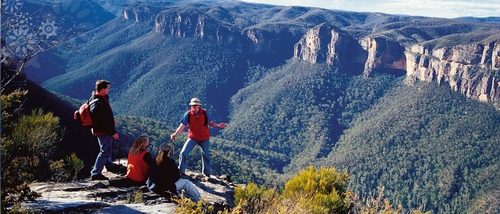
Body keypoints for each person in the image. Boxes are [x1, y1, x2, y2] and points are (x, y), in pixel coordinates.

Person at [170, 98, 227, 178]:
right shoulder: (188, 114)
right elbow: (182, 126)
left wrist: (218, 125)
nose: (194, 106)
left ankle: (206, 174)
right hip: (192, 138)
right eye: (192, 105)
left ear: (199, 105)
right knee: (183, 153)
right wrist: (175, 134)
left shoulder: (204, 113)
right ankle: (181, 172)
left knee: (206, 155)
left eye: (195, 105)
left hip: (204, 138)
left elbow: (210, 123)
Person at [89, 79, 122, 180]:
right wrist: (113, 133)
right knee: (105, 151)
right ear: (102, 89)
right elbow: (103, 121)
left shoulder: (97, 98)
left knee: (107, 148)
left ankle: (109, 165)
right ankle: (96, 173)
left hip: (101, 130)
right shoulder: (99, 103)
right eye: (108, 88)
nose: (109, 89)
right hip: (103, 131)